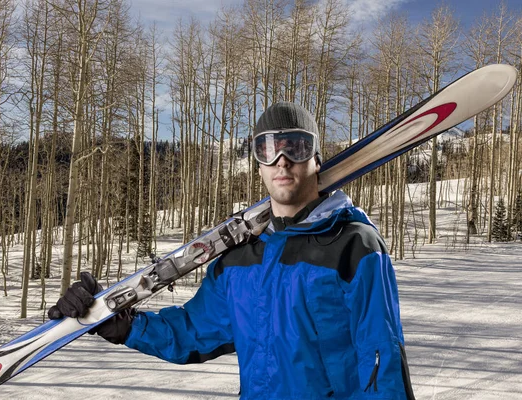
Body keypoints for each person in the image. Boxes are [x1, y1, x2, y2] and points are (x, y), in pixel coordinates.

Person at [49, 102, 415, 399]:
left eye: (297, 146)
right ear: (258, 165)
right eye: (267, 149)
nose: (281, 160)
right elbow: (194, 330)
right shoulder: (240, 256)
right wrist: (124, 326)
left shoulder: (353, 244)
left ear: (316, 159)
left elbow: (381, 357)